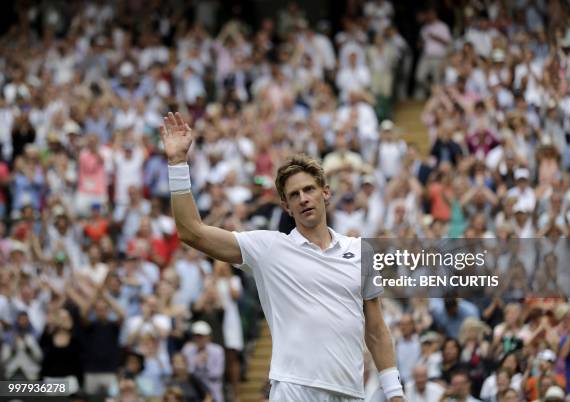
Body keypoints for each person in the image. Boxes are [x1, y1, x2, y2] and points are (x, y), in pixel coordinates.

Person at [161, 112, 403, 402]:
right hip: (293, 390)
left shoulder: (361, 251)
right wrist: (177, 164)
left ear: (326, 193)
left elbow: (376, 330)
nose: (303, 198)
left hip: (350, 393)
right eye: (294, 194)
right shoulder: (269, 248)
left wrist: (395, 393)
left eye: (309, 189)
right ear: (286, 206)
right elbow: (192, 232)